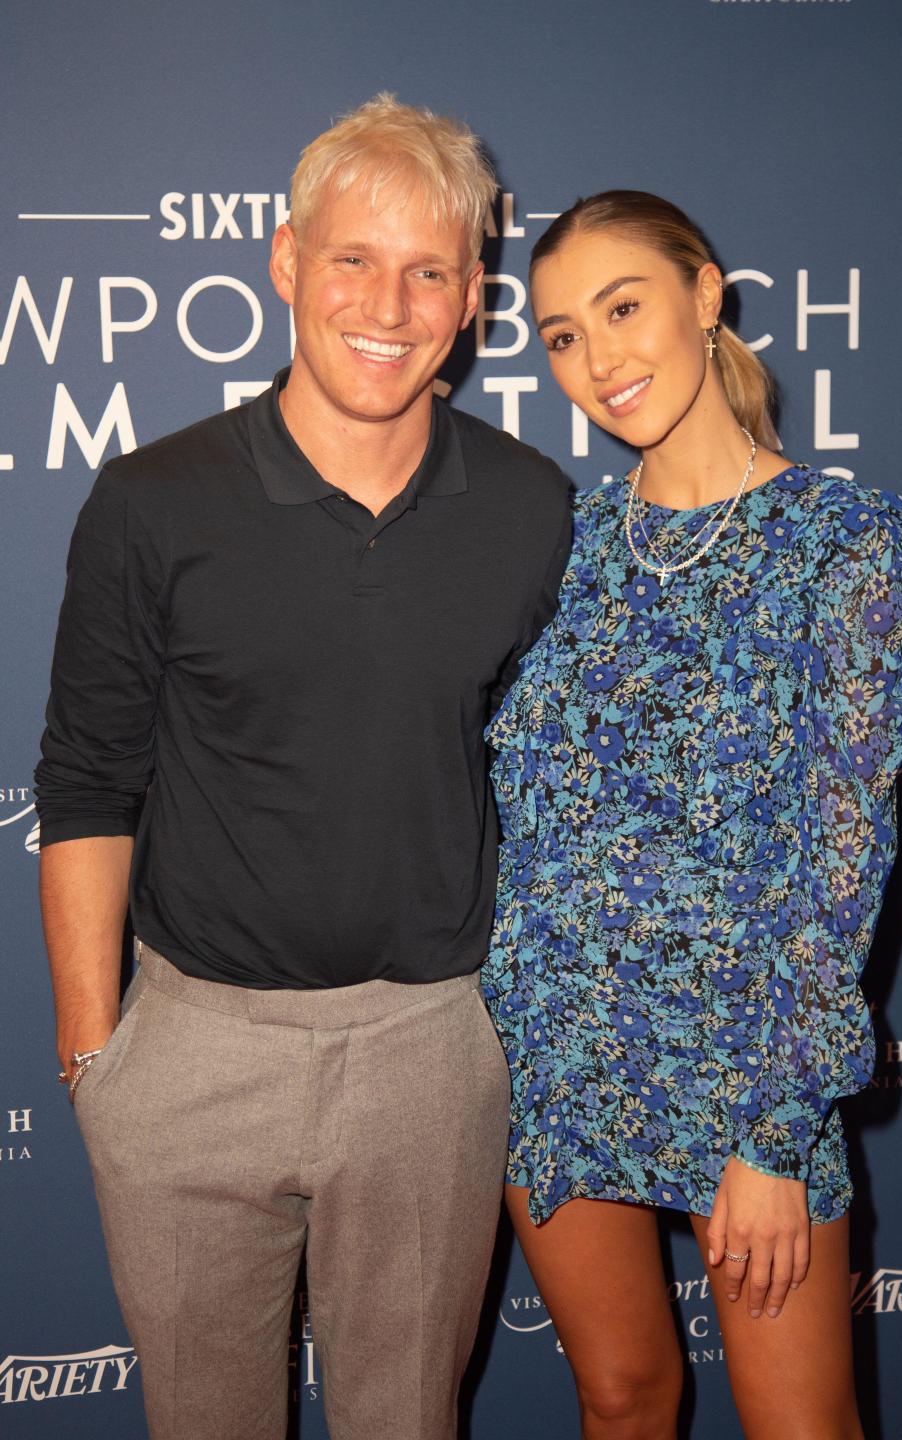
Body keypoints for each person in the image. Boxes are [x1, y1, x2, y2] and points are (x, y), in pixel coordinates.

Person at [34, 95, 570, 1440]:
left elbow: (561, 784)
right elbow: (89, 782)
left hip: (430, 1055)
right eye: (353, 259)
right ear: (284, 262)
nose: (386, 304)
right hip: (194, 1052)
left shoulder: (532, 510)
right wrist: (101, 1058)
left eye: (428, 270)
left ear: (468, 300)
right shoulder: (153, 503)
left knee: (409, 1423)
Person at [482, 191, 902, 1440]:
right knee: (621, 1398)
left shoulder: (843, 544)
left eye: (622, 309)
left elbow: (844, 862)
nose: (600, 360)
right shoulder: (558, 544)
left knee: (802, 1430)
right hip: (555, 1055)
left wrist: (778, 1135)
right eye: (562, 336)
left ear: (705, 294)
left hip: (747, 1070)